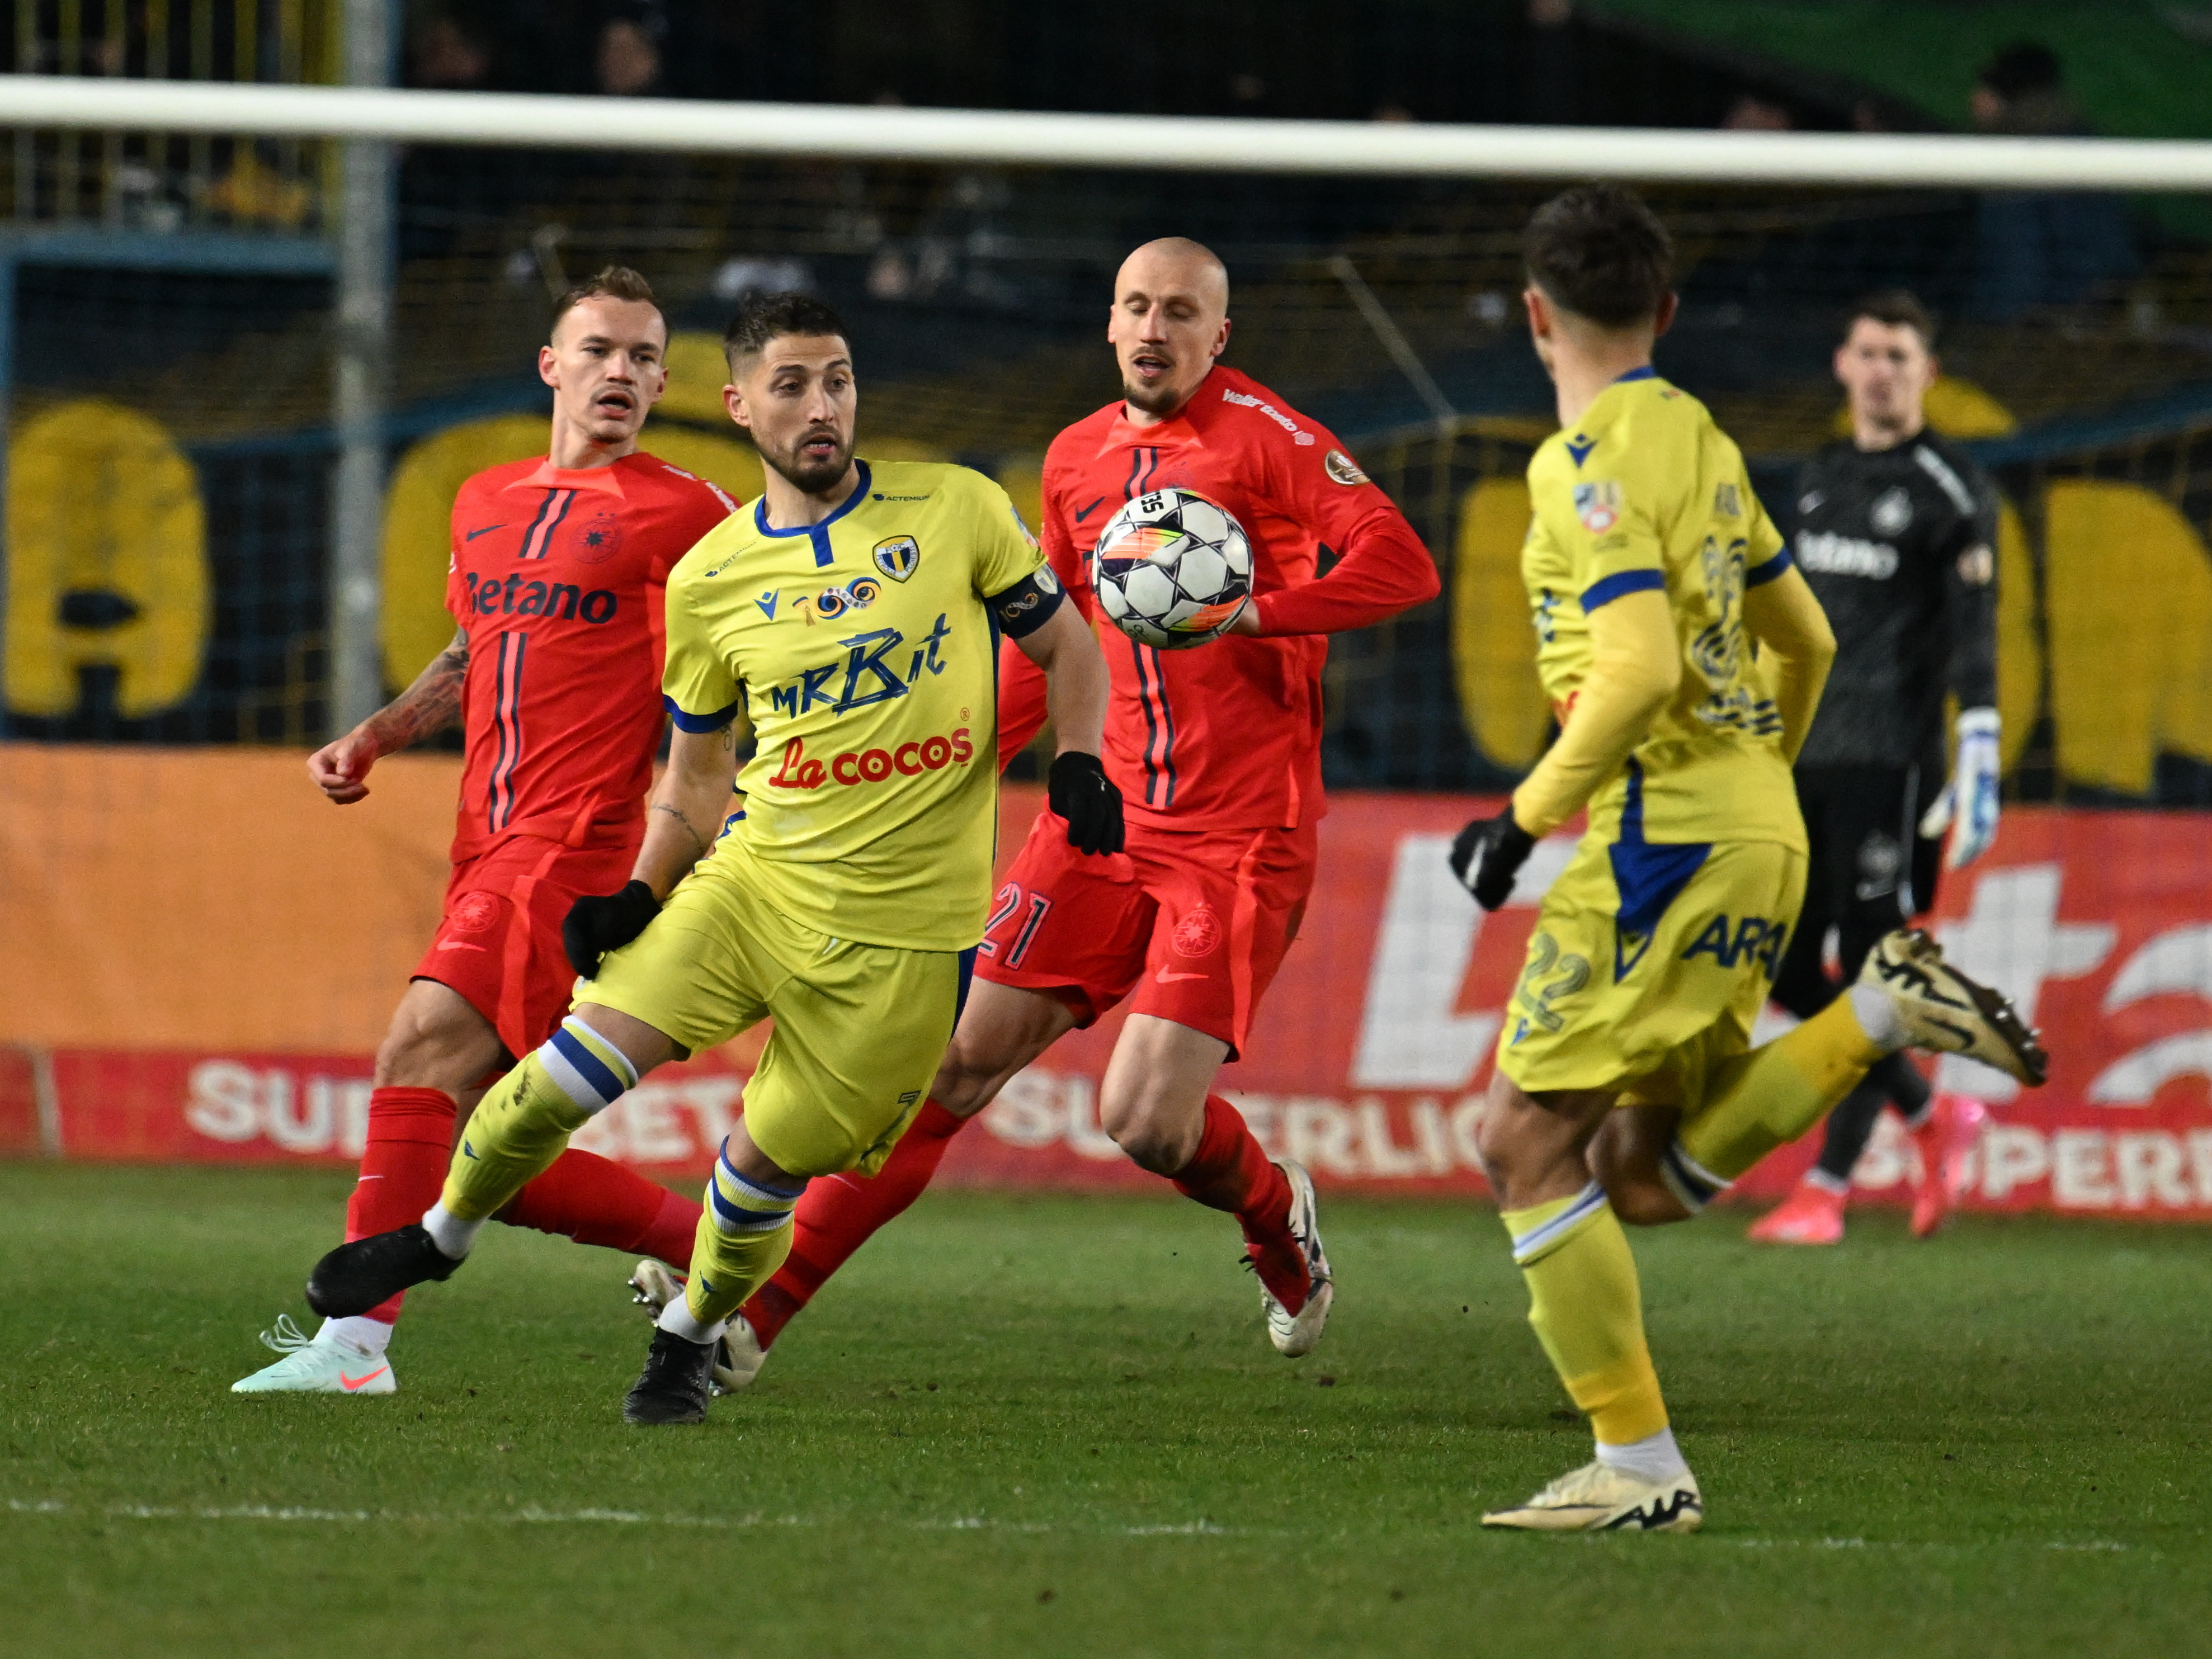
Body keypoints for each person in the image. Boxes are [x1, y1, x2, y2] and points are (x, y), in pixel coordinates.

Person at [298, 291, 1118, 1426]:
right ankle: (428, 1256)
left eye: (836, 379)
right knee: (521, 1083)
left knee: (737, 1165)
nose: (821, 404)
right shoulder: (634, 549)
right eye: (791, 383)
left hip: (851, 918)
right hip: (700, 871)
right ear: (735, 404)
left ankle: (675, 1324)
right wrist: (636, 883)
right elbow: (643, 743)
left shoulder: (906, 509)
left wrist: (1079, 763)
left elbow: (1059, 638)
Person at [637, 236, 1441, 1391]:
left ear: (1220, 337)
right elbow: (1052, 650)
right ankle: (756, 1315)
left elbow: (1400, 563)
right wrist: (968, 758)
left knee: (1147, 1122)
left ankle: (1277, 1221)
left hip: (1236, 833)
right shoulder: (1073, 460)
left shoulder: (1265, 439)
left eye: (1180, 312)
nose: (1154, 329)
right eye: (1135, 307)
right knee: (949, 1068)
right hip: (1103, 818)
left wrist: (1255, 612)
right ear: (1109, 323)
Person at [1445, 186, 2046, 1532]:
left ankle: (1642, 1468)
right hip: (1757, 814)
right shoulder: (1705, 439)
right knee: (1639, 1173)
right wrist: (1752, 775)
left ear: (1536, 316)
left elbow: (1641, 661)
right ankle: (1881, 1010)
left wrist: (1520, 817)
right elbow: (1810, 643)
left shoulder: (1583, 459)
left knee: (1519, 1141)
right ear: (1661, 314)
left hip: (1663, 831)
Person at [234, 267, 734, 1396]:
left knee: (414, 1050)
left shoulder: (689, 512)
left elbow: (763, 638)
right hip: (484, 833)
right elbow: (473, 651)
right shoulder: (483, 496)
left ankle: (354, 1346)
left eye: (644, 356)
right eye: (600, 349)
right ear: (552, 366)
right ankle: (715, 1241)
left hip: (574, 847)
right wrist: (377, 731)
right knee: (477, 1142)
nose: (623, 372)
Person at [1751, 292, 2003, 1247]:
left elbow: (1976, 632)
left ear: (1927, 373)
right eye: (1869, 351)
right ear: (1842, 365)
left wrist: (1978, 741)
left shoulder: (1951, 486)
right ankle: (1934, 1114)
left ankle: (1827, 1188)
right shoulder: (1813, 477)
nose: (1884, 368)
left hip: (1891, 763)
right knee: (1778, 960)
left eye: (1901, 352)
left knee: (1870, 960)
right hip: (1800, 753)